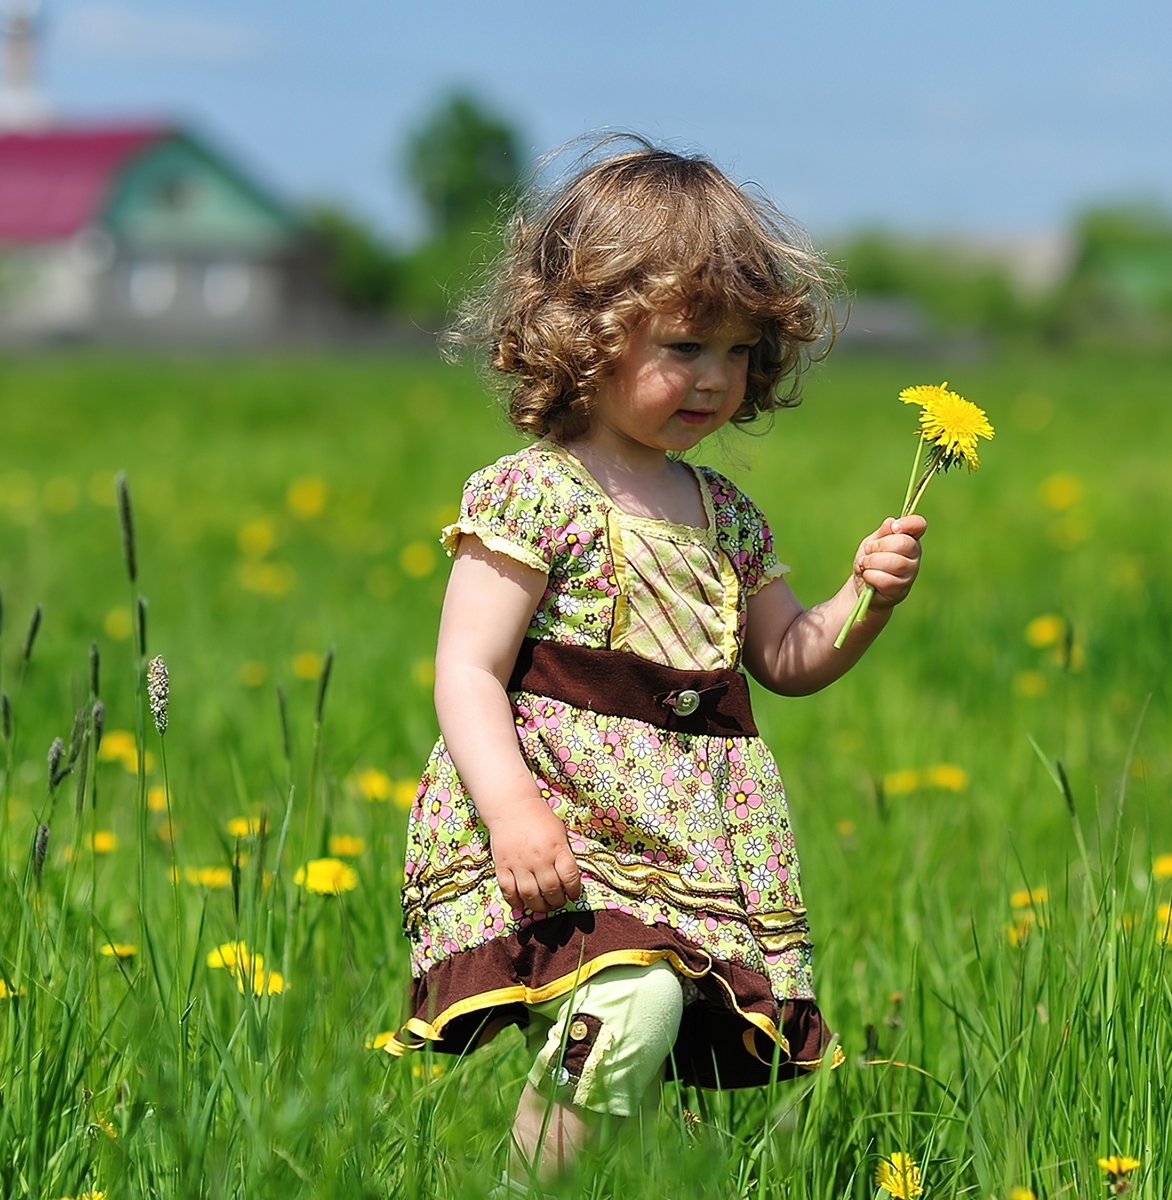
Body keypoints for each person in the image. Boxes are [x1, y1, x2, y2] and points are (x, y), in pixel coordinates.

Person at [384, 139, 926, 1187]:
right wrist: (510, 812)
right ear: (583, 336)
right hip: (560, 810)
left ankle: (586, 1173)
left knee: (652, 1015)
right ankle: (531, 1185)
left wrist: (866, 599)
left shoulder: (727, 515)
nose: (715, 378)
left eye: (737, 353)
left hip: (688, 834)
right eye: (685, 346)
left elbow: (785, 659)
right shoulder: (531, 494)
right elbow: (465, 669)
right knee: (628, 999)